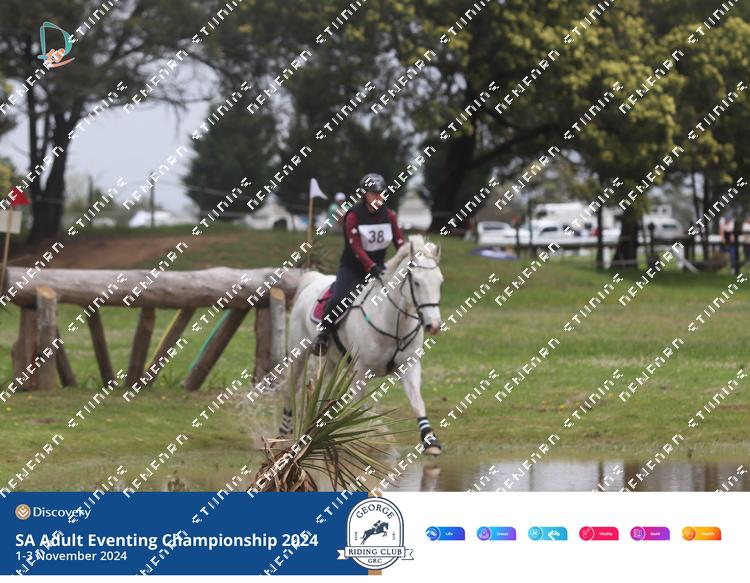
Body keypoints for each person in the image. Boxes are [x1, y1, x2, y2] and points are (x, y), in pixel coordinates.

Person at [311, 173, 405, 356]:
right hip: (353, 268)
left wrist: (410, 256)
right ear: (364, 194)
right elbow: (356, 248)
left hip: (380, 268)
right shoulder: (353, 215)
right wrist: (371, 266)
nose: (378, 197)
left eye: (381, 193)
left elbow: (400, 243)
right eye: (374, 193)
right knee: (338, 299)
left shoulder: (390, 216)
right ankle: (323, 334)